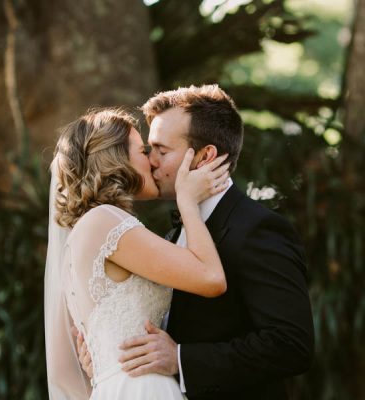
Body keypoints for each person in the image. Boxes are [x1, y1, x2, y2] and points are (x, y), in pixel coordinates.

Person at [77, 85, 314, 400]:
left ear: (205, 156)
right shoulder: (169, 231)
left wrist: (180, 359)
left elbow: (291, 344)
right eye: (149, 150)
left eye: (162, 150)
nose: (151, 162)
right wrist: (109, 354)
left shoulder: (258, 230)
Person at [45, 107, 231, 399]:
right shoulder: (104, 221)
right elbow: (211, 278)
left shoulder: (87, 231)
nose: (153, 160)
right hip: (141, 387)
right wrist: (188, 203)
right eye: (144, 150)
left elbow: (64, 370)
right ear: (115, 158)